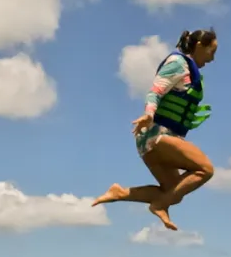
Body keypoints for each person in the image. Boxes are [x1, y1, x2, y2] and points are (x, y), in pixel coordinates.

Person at [92, 29, 219, 231]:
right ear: (199, 46)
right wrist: (149, 114)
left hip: (154, 139)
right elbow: (155, 91)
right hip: (157, 133)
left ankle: (120, 193)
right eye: (212, 52)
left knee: (173, 191)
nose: (212, 59)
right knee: (205, 169)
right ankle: (160, 205)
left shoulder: (191, 72)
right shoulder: (178, 64)